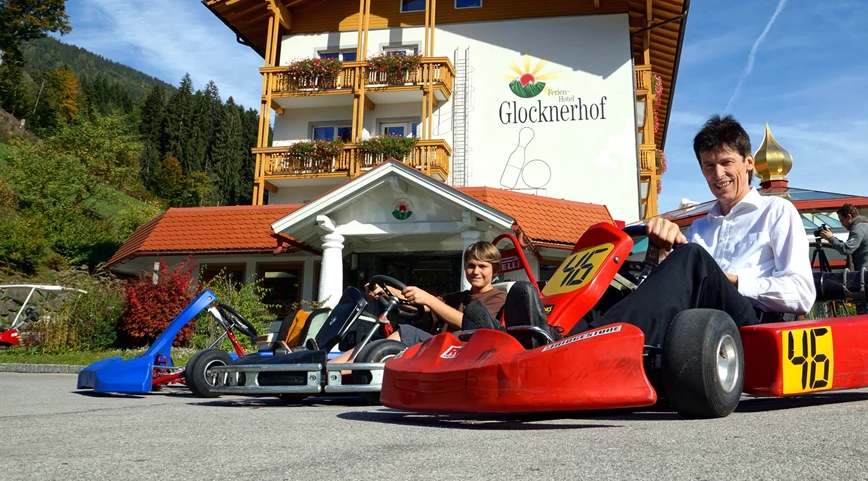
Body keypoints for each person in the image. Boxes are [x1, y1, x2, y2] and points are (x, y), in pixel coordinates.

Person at [466, 114, 816, 346]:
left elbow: (801, 294)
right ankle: (538, 333)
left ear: (748, 163)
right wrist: (659, 253)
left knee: (692, 257)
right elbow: (664, 292)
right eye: (709, 166)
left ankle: (580, 344)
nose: (718, 174)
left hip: (749, 322)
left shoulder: (777, 212)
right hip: (697, 324)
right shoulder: (700, 226)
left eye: (726, 163)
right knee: (613, 284)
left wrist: (730, 279)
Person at [331, 241, 507, 363]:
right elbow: (420, 304)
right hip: (444, 349)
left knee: (407, 333)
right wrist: (386, 290)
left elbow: (473, 324)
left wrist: (429, 299)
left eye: (482, 266)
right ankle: (330, 367)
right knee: (377, 339)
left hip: (466, 353)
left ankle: (345, 371)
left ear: (495, 270)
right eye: (471, 265)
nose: (475, 271)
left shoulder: (498, 298)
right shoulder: (458, 297)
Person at [816, 203, 868, 314]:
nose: (842, 224)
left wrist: (831, 239)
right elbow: (851, 247)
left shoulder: (858, 229)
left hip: (867, 275)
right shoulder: (865, 226)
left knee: (867, 311)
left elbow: (846, 249)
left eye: (842, 220)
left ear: (849, 217)